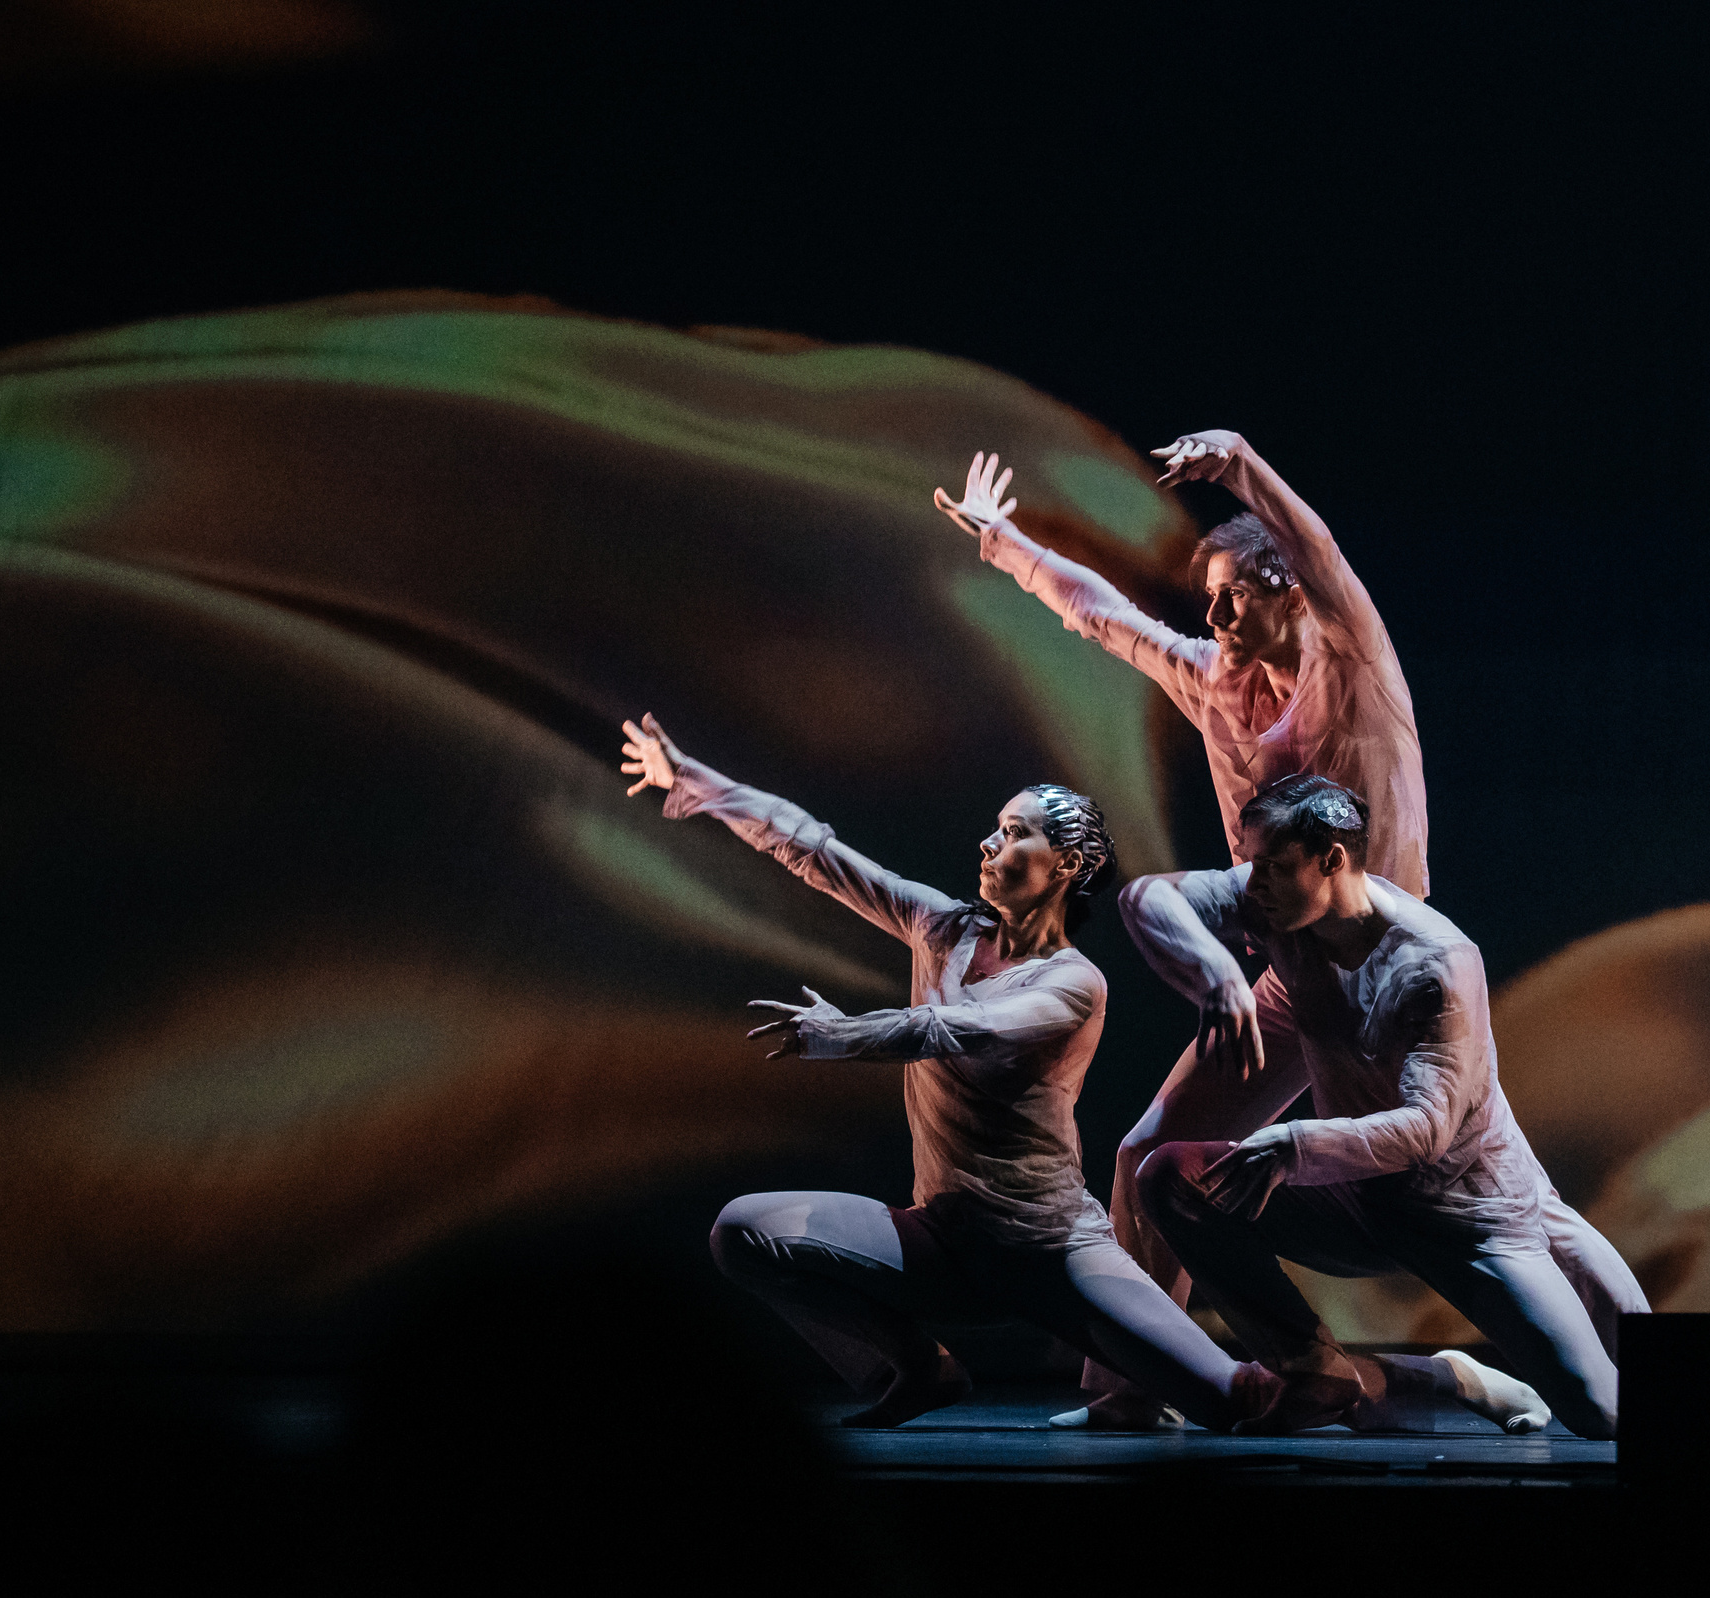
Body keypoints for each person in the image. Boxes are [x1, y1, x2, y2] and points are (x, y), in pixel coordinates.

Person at [933, 432, 1432, 1427]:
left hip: (1396, 982)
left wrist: (1242, 465)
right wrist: (1002, 544)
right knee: (1148, 1158)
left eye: (1235, 591)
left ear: (1288, 593)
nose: (1211, 612)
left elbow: (1321, 548)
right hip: (1291, 985)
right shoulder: (1209, 683)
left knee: (1472, 1205)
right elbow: (1100, 616)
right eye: (1207, 593)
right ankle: (1133, 1389)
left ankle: (1533, 1369)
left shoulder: (1353, 674)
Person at [619, 712, 1283, 1430]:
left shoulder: (1074, 982)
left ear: (1067, 866)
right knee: (743, 1232)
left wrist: (843, 1035)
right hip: (941, 1243)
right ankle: (916, 1367)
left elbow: (955, 1028)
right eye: (996, 826)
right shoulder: (942, 928)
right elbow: (812, 848)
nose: (989, 841)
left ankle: (1400, 1377)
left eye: (1014, 831)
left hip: (1054, 1256)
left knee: (1237, 1404)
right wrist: (689, 777)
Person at [1117, 773, 1647, 1438]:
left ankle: (1443, 1375)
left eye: (1275, 867)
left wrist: (1295, 1145)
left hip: (1471, 1219)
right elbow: (1147, 898)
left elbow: (1426, 1129)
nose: (1254, 884)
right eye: (1250, 864)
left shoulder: (1436, 961)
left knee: (1604, 1412)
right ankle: (1315, 1368)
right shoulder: (1277, 906)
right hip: (1357, 1201)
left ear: (1334, 859)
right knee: (1170, 1176)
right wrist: (1218, 971)